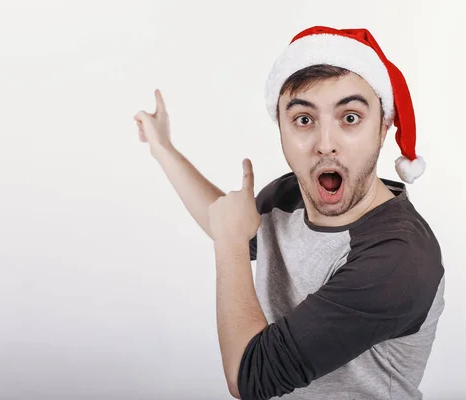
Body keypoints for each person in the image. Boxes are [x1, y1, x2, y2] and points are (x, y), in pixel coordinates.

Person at [134, 26, 445, 400]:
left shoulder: (399, 257)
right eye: (303, 119)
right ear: (280, 127)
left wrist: (230, 244)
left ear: (383, 128)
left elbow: (248, 377)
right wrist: (163, 148)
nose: (325, 145)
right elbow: (227, 223)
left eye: (350, 118)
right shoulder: (288, 195)